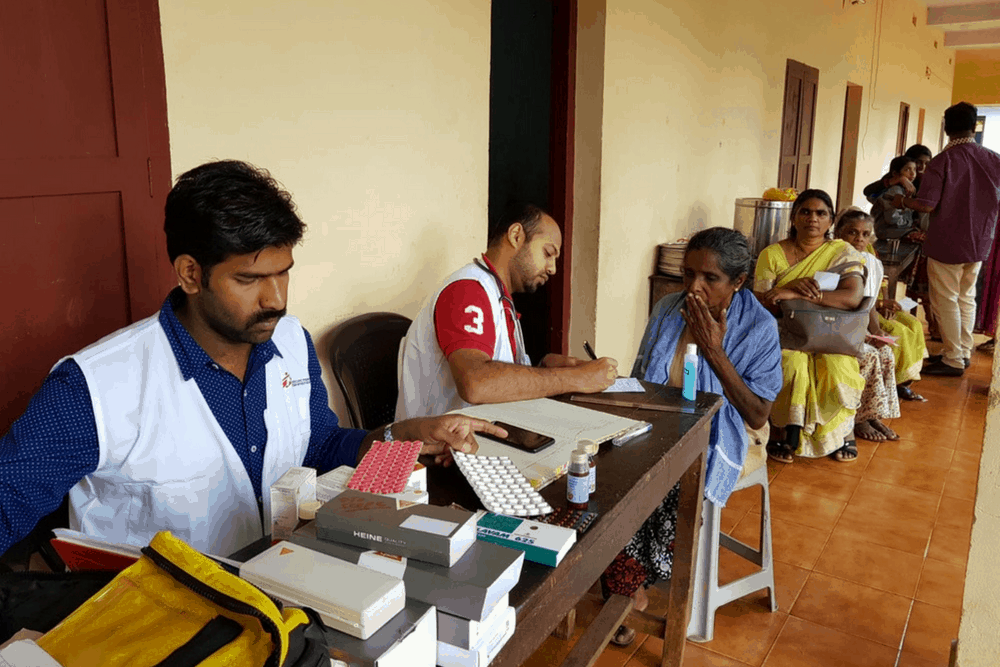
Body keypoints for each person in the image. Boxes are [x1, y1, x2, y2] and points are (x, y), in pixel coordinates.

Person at [0, 160, 504, 559]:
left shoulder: (290, 343)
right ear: (191, 273)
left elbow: (319, 447)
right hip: (166, 631)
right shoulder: (94, 390)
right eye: (249, 280)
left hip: (280, 598)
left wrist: (402, 436)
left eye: (283, 273)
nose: (276, 299)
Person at [600, 227, 783, 646]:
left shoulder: (759, 328)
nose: (693, 288)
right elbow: (643, 378)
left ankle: (630, 584)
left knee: (666, 484)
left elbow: (756, 414)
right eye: (687, 275)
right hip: (660, 422)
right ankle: (624, 577)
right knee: (602, 471)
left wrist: (714, 351)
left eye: (709, 278)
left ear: (738, 282)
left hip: (724, 431)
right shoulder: (668, 309)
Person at [396, 202, 617, 419]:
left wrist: (544, 366)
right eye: (548, 253)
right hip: (437, 450)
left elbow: (497, 375)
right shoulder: (468, 290)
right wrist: (576, 378)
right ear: (516, 235)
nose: (552, 268)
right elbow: (476, 383)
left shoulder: (497, 295)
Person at [754, 189, 866, 463]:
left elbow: (852, 297)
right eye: (805, 212)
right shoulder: (772, 255)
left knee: (837, 366)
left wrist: (796, 294)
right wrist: (787, 286)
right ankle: (784, 433)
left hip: (831, 333)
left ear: (830, 222)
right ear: (793, 218)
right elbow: (759, 304)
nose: (812, 219)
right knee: (791, 362)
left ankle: (840, 433)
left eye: (821, 213)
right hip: (786, 332)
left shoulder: (841, 251)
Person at [894, 102, 1000, 376]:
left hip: (948, 242)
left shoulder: (944, 160)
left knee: (946, 299)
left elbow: (927, 204)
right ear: (974, 125)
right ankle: (963, 351)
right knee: (966, 297)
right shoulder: (993, 158)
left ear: (946, 126)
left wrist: (903, 201)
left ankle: (953, 358)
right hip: (980, 240)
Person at [834, 209, 908, 442]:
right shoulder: (832, 258)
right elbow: (831, 304)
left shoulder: (873, 264)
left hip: (859, 328)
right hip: (835, 328)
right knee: (869, 356)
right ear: (839, 233)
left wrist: (876, 332)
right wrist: (861, 335)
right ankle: (859, 418)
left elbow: (870, 304)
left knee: (886, 351)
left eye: (865, 234)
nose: (859, 239)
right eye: (852, 233)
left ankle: (874, 413)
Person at [863, 144, 933, 203]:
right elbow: (869, 193)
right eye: (918, 162)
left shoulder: (929, 179)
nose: (923, 167)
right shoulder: (897, 176)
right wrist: (897, 180)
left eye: (927, 163)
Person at [871, 156, 919, 240]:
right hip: (886, 230)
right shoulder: (895, 190)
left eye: (914, 169)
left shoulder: (906, 189)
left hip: (897, 228)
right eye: (907, 170)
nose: (912, 173)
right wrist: (908, 223)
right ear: (895, 174)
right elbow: (892, 219)